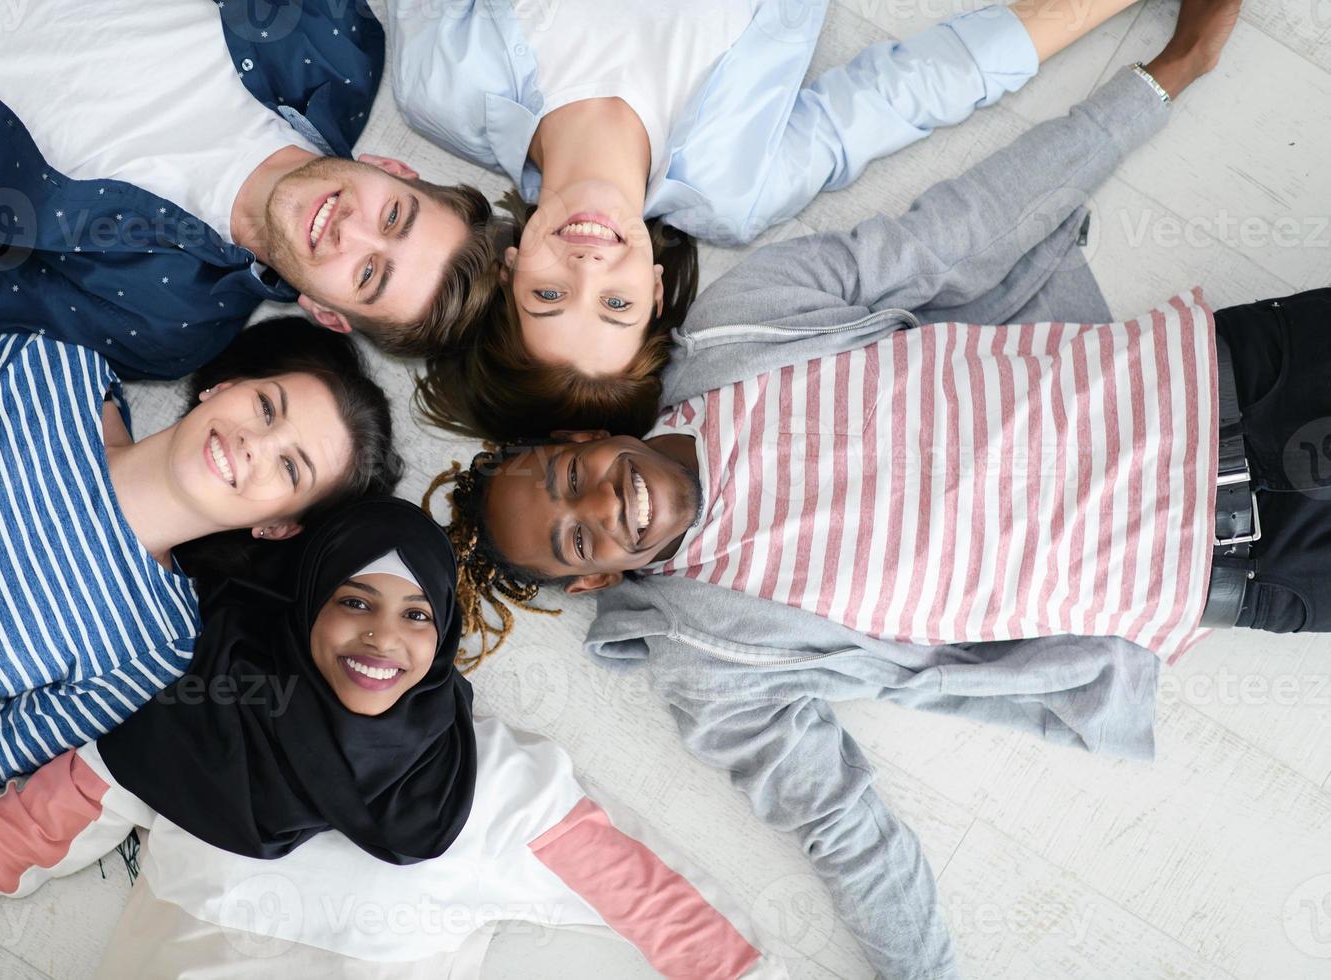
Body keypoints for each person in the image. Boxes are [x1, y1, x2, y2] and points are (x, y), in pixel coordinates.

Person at [425, 3, 1247, 976]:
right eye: (575, 540)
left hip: (1229, 373)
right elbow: (845, 829)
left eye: (571, 477)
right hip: (1231, 563)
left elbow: (961, 226)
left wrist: (1164, 76)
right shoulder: (716, 665)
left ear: (583, 435)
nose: (601, 505)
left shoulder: (747, 328)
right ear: (597, 580)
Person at [0, 502, 786, 980]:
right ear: (304, 604)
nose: (382, 639)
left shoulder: (498, 785)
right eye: (352, 601)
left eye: (417, 614)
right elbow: (12, 840)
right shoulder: (200, 719)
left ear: (445, 640)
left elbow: (665, 911)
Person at [400, 0, 1156, 438]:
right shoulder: (736, 186)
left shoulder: (445, 88)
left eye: (549, 296)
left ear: (508, 267)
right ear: (657, 291)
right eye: (617, 305)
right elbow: (916, 89)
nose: (588, 268)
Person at [0, 314, 399, 875]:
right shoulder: (54, 373)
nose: (253, 443)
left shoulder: (154, 644)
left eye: (290, 467)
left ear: (278, 525)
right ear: (224, 387)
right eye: (266, 407)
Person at [0, 0, 499, 379]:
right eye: (393, 216)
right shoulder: (333, 40)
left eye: (367, 274)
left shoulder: (162, 322)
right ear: (397, 168)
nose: (349, 229)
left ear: (326, 314)